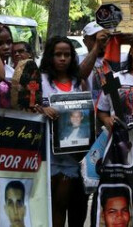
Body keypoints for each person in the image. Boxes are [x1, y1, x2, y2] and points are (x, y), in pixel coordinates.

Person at [38, 35, 92, 226]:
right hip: (47, 151)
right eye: (58, 54)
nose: (62, 58)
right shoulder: (40, 80)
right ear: (49, 56)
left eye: (67, 54)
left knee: (71, 202)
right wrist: (42, 109)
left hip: (74, 153)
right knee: (54, 204)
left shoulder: (80, 83)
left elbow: (88, 113)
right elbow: (29, 108)